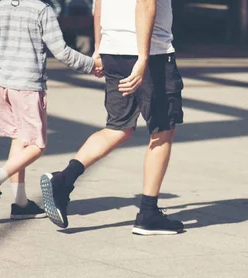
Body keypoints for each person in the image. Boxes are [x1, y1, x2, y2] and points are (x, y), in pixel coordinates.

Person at [40, 0, 185, 235]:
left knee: (118, 127)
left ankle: (64, 180)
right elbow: (146, 3)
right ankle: (148, 213)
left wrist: (98, 47)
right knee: (163, 130)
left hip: (112, 50)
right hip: (151, 54)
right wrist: (143, 59)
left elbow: (99, 3)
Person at [0, 0, 102, 221]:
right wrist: (91, 65)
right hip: (27, 88)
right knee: (36, 146)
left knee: (19, 140)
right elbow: (61, 52)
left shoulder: (1, 6)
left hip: (3, 85)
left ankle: (20, 203)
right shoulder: (41, 10)